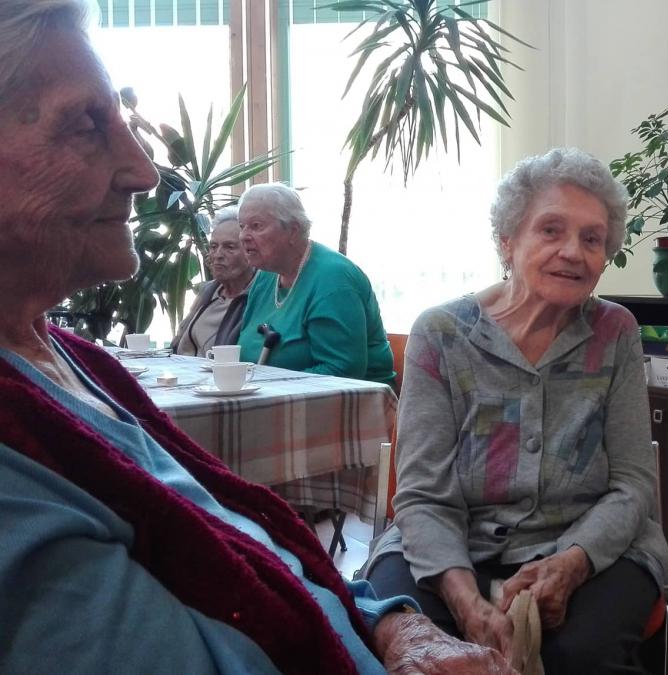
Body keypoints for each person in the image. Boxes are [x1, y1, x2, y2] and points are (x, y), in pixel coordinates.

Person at [0, 2, 509, 672]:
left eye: (254, 230)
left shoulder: (72, 361)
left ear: (291, 230)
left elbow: (241, 530)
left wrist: (384, 621)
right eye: (86, 124)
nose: (144, 172)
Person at [361, 148, 668, 674]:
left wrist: (571, 563)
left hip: (594, 545)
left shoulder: (615, 331)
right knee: (412, 645)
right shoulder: (441, 335)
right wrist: (467, 602)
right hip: (453, 544)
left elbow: (633, 485)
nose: (573, 252)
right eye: (551, 230)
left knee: (579, 656)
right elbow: (423, 494)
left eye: (592, 239)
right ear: (507, 240)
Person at [236, 182, 394, 386]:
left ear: (293, 230)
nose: (244, 236)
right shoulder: (265, 276)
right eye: (242, 226)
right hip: (269, 396)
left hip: (349, 401)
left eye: (256, 226)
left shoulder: (334, 278)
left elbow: (343, 370)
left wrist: (268, 385)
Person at [171, 206, 254, 356]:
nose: (217, 255)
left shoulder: (259, 297)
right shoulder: (209, 291)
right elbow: (177, 343)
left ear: (250, 251)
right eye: (213, 246)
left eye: (229, 247)